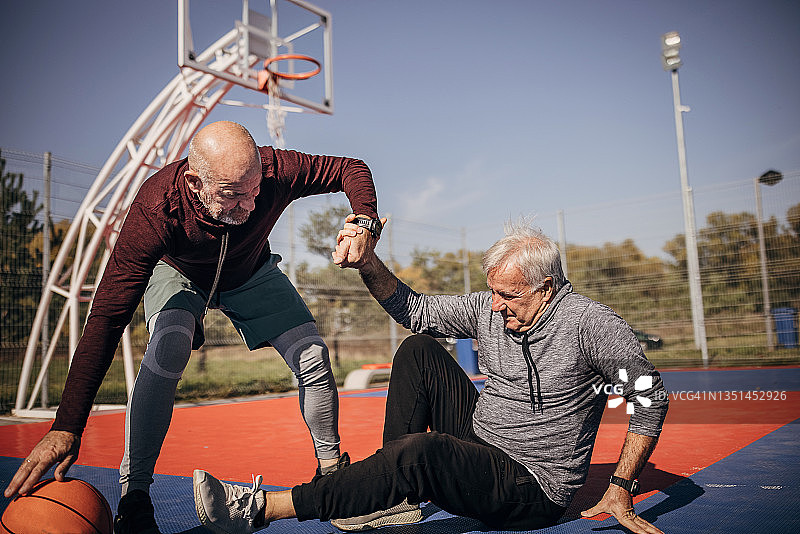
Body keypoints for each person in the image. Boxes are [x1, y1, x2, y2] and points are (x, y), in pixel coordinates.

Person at [3, 121, 384, 534]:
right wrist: (67, 424)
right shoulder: (155, 209)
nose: (248, 206)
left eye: (255, 190)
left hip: (249, 271)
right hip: (180, 273)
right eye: (232, 195)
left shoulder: (277, 168)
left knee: (313, 354)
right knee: (169, 346)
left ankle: (332, 479)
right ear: (193, 180)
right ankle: (134, 499)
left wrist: (364, 221)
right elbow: (108, 317)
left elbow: (352, 167)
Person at [192, 219, 669, 533]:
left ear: (545, 288)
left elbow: (651, 396)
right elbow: (414, 310)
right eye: (493, 292)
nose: (496, 305)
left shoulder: (591, 325)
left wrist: (621, 486)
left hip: (531, 486)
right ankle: (397, 496)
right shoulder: (492, 307)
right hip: (481, 441)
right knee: (418, 349)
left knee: (423, 452)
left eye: (508, 294)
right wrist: (367, 262)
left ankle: (261, 509)